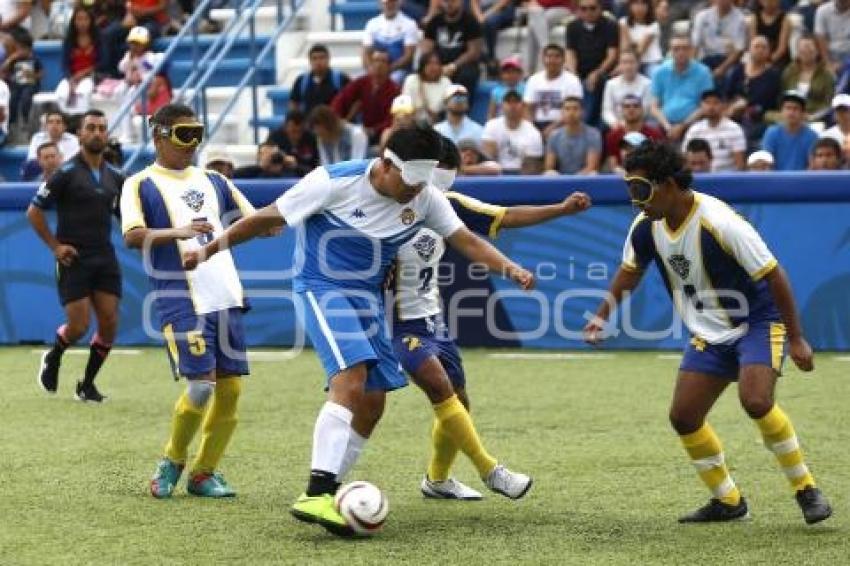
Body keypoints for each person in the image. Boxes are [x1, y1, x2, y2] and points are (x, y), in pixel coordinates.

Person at [181, 124, 537, 536]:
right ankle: (315, 493)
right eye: (411, 181)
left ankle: (328, 492)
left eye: (424, 183)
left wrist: (509, 268)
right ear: (386, 164)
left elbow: (467, 241)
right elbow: (263, 219)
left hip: (367, 298)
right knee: (351, 378)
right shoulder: (332, 181)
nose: (417, 191)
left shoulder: (425, 196)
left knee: (373, 401)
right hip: (322, 287)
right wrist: (207, 251)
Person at [584, 140, 833, 525]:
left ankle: (806, 489)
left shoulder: (719, 221)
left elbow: (774, 275)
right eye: (630, 190)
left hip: (757, 323)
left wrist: (797, 337)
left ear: (668, 184)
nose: (636, 201)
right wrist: (602, 315)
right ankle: (728, 502)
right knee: (684, 417)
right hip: (709, 334)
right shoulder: (646, 227)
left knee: (755, 400)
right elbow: (630, 271)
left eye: (641, 190)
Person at [391, 137, 590, 500]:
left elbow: (504, 216)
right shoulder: (384, 204)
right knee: (438, 387)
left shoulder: (444, 205)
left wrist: (560, 210)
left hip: (431, 319)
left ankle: (436, 481)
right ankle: (490, 470)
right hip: (391, 321)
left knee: (458, 402)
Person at [120, 102, 255, 499]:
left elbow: (255, 220)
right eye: (183, 134)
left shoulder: (214, 180)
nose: (193, 143)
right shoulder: (140, 183)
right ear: (158, 135)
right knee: (201, 387)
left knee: (230, 392)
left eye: (197, 133)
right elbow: (132, 236)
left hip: (226, 295)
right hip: (180, 297)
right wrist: (177, 232)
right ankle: (171, 461)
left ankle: (204, 473)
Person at [28, 109, 125, 403]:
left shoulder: (116, 177)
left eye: (102, 127)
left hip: (104, 257)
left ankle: (87, 385)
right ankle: (54, 355)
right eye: (91, 127)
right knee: (79, 326)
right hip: (74, 259)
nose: (97, 132)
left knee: (109, 324)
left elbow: (123, 215)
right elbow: (34, 212)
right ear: (80, 134)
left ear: (107, 135)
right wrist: (56, 247)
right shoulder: (65, 173)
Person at [649, 34, 713, 141]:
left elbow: (705, 105)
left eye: (685, 48)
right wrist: (667, 126)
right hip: (665, 125)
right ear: (670, 51)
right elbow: (654, 107)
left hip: (694, 124)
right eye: (676, 49)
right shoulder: (660, 72)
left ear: (691, 51)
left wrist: (683, 126)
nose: (681, 52)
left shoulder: (703, 72)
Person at [565, 0, 619, 125]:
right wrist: (574, 75)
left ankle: (586, 123)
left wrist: (597, 73)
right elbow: (570, 53)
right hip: (580, 71)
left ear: (600, 8)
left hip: (603, 72)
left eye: (592, 8)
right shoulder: (572, 27)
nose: (588, 12)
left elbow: (612, 56)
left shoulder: (610, 25)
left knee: (594, 83)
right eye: (583, 9)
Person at [331, 49, 400, 145]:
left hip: (379, 136)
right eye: (375, 61)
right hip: (356, 131)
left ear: (389, 66)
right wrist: (337, 119)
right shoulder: (361, 82)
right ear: (370, 64)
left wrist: (372, 130)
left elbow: (392, 119)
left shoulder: (395, 89)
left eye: (383, 61)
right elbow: (341, 99)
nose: (378, 65)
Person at [421, 0, 484, 98]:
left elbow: (474, 52)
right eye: (446, 1)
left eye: (453, 1)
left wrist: (453, 66)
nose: (449, 4)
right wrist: (436, 66)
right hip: (439, 63)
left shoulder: (471, 21)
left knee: (466, 75)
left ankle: (460, 108)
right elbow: (427, 50)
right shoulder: (434, 22)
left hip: (463, 64)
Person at [726, 35, 782, 144]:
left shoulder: (773, 75)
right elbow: (728, 93)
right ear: (749, 49)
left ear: (769, 52)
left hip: (758, 118)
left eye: (764, 47)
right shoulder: (738, 70)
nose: (760, 50)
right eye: (757, 47)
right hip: (733, 113)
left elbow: (764, 99)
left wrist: (744, 104)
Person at [771, 35, 836, 123]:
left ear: (817, 51)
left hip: (813, 117)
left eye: (809, 49)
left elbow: (828, 104)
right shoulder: (789, 71)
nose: (806, 52)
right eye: (802, 50)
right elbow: (781, 95)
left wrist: (812, 117)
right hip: (789, 114)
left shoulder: (826, 75)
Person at [522, 43, 583, 136]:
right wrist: (532, 129)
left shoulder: (573, 81)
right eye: (549, 56)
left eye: (557, 57)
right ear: (543, 59)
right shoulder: (533, 79)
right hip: (536, 124)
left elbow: (573, 110)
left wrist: (552, 128)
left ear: (563, 60)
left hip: (563, 124)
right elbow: (528, 108)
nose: (552, 60)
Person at [681, 89, 746, 172]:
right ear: (701, 106)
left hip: (725, 178)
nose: (711, 107)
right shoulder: (694, 129)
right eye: (707, 103)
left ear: (723, 105)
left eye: (715, 103)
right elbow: (685, 159)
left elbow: (739, 165)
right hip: (698, 176)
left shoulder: (734, 129)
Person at [482, 90, 545, 174]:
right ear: (502, 106)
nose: (512, 106)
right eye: (508, 102)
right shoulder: (491, 126)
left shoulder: (533, 132)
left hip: (521, 175)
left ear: (522, 106)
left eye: (516, 102)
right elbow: (488, 159)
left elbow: (531, 167)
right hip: (495, 173)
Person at [55, 6, 101, 116]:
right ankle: (65, 121)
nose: (82, 23)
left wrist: (84, 74)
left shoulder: (98, 39)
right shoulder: (69, 40)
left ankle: (80, 121)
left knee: (82, 92)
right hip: (72, 77)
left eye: (85, 19)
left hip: (91, 76)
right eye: (79, 19)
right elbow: (64, 64)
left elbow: (102, 63)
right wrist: (71, 80)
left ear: (91, 21)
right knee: (61, 93)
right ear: (74, 21)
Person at [690, 0, 747, 86]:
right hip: (705, 57)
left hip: (728, 60)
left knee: (730, 76)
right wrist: (693, 66)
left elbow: (739, 50)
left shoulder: (740, 19)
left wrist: (722, 69)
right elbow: (695, 45)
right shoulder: (702, 16)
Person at [362, 0, 419, 85]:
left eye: (392, 2)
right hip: (377, 69)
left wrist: (388, 69)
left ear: (399, 3)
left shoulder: (409, 24)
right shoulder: (372, 24)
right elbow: (366, 52)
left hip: (399, 70)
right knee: (362, 82)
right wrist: (371, 69)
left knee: (394, 80)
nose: (389, 5)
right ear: (380, 4)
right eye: (386, 3)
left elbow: (408, 55)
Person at [761, 91, 819, 171]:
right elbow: (766, 163)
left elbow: (813, 166)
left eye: (795, 109)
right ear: (781, 111)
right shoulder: (771, 133)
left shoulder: (812, 136)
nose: (791, 112)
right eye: (788, 108)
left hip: (803, 181)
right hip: (776, 181)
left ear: (803, 113)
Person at [604, 96, 665, 172]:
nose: (631, 109)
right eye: (627, 106)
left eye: (636, 106)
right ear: (621, 111)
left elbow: (658, 162)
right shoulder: (612, 136)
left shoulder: (655, 134)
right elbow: (614, 166)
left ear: (642, 110)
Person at [544, 96, 602, 175]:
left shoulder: (593, 134)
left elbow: (591, 166)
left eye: (575, 109)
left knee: (593, 174)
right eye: (567, 109)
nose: (571, 113)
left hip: (584, 179)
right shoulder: (554, 136)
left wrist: (574, 181)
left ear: (582, 112)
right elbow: (549, 166)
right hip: (561, 180)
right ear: (562, 112)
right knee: (549, 174)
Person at [289, 44, 350, 117]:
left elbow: (353, 103)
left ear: (328, 59)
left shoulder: (341, 79)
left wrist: (346, 120)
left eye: (322, 58)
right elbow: (294, 104)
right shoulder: (301, 81)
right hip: (309, 126)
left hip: (333, 126)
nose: (318, 62)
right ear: (309, 61)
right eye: (314, 58)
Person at [601, 49, 652, 130]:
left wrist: (630, 124)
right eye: (624, 63)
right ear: (620, 65)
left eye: (631, 62)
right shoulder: (611, 84)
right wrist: (614, 123)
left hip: (639, 124)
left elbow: (645, 110)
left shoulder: (647, 84)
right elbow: (607, 110)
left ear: (638, 64)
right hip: (617, 125)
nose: (628, 66)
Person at [4, 28, 41, 131]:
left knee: (26, 98)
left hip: (30, 85)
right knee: (12, 99)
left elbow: (41, 73)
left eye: (23, 49)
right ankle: (12, 121)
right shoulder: (15, 60)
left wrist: (33, 75)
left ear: (29, 49)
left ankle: (26, 119)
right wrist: (10, 59)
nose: (20, 52)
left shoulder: (34, 59)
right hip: (16, 85)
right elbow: (5, 71)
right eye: (18, 49)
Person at [524, 0, 574, 74]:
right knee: (534, 20)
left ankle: (531, 70)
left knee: (535, 20)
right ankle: (546, 49)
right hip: (542, 10)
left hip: (561, 8)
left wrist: (537, 2)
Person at [265, 110, 320, 178]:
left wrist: (296, 166)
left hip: (306, 177)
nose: (297, 136)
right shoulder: (275, 138)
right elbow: (266, 163)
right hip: (279, 176)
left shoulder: (311, 139)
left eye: (300, 131)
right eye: (293, 131)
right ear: (285, 127)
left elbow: (316, 168)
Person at [401, 51, 453, 123]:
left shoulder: (446, 82)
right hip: (412, 123)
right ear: (422, 66)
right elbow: (405, 106)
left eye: (436, 63)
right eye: (429, 63)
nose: (433, 67)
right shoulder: (411, 80)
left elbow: (447, 110)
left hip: (436, 125)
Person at [619, 0, 663, 76]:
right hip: (629, 61)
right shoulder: (623, 22)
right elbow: (624, 49)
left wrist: (630, 41)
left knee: (654, 73)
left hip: (650, 62)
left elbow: (639, 51)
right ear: (630, 6)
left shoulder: (653, 25)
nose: (639, 8)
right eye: (636, 4)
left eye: (643, 4)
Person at [748, 0, 791, 68]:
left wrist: (769, 61)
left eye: (772, 1)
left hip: (777, 58)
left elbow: (782, 48)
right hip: (758, 54)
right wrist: (759, 59)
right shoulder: (754, 18)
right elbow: (753, 42)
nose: (769, 3)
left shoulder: (785, 19)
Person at [814, 0, 850, 73]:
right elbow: (820, 38)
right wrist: (828, 63)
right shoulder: (822, 11)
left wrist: (845, 64)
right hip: (830, 56)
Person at [487, 55, 526, 120]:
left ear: (520, 73)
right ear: (501, 74)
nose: (510, 75)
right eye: (507, 72)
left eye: (513, 72)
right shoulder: (496, 92)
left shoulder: (525, 90)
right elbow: (491, 113)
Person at [821, 94, 850, 164]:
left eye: (845, 110)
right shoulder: (826, 136)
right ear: (834, 113)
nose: (842, 114)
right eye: (839, 110)